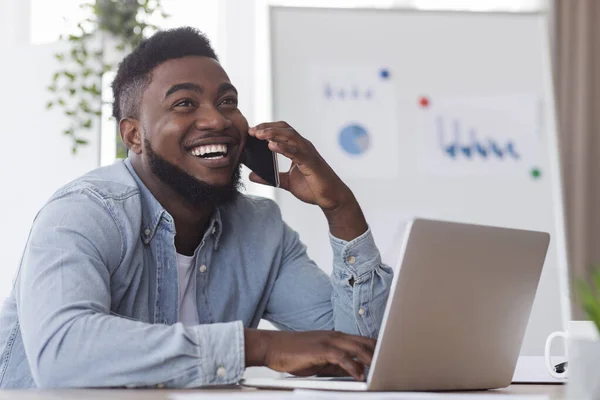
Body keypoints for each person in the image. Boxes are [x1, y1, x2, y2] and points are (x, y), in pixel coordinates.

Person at [0, 27, 393, 389]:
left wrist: (340, 207)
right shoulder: (85, 211)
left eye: (228, 101)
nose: (216, 119)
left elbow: (360, 352)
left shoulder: (262, 229)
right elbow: (61, 354)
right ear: (134, 135)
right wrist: (258, 347)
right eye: (185, 103)